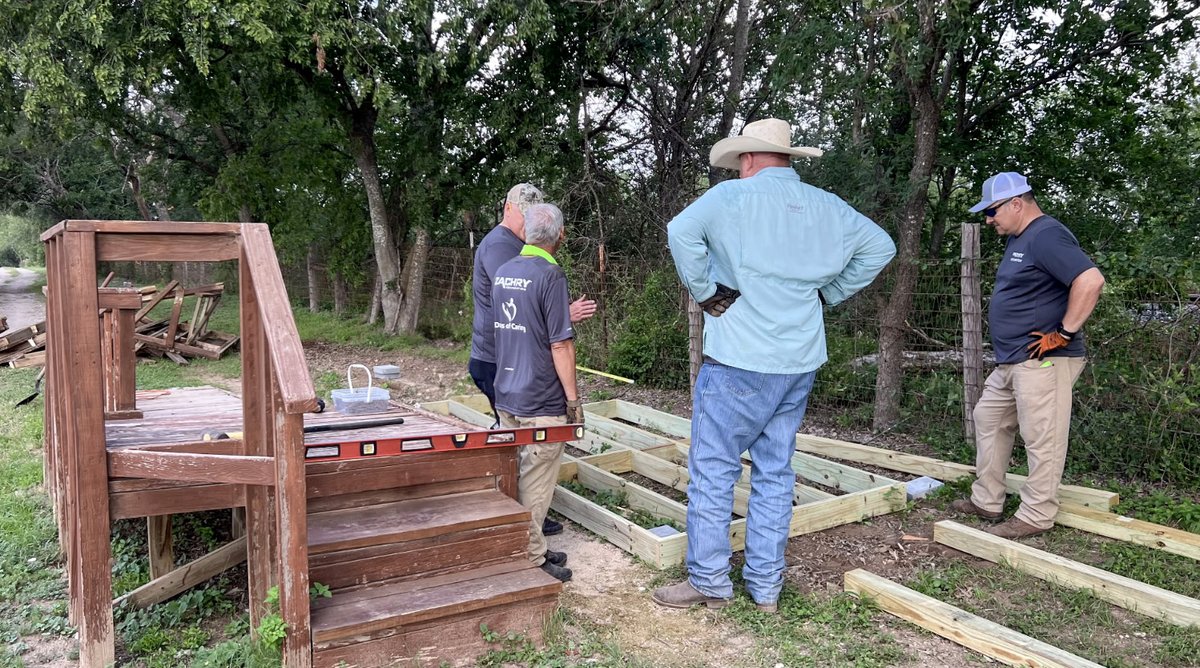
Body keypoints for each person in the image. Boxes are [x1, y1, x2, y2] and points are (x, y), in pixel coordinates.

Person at [652, 118, 896, 612]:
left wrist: (705, 293)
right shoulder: (828, 207)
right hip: (797, 361)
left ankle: (709, 581)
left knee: (715, 470)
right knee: (774, 472)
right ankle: (765, 586)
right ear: (787, 158)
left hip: (739, 358)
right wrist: (831, 291)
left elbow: (680, 231)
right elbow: (882, 247)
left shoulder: (733, 199)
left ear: (747, 159)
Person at [951, 172, 1105, 539]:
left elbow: (1090, 280)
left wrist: (1063, 333)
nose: (989, 220)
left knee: (1042, 436)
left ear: (1016, 203)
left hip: (1044, 361)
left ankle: (1036, 514)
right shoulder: (1022, 238)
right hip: (1014, 359)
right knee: (987, 418)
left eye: (992, 211)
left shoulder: (1047, 235)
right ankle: (987, 500)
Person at [469, 183, 596, 538]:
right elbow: (558, 343)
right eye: (521, 209)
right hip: (524, 380)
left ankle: (522, 532)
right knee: (533, 464)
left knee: (517, 456)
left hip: (507, 377)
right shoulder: (523, 261)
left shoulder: (511, 260)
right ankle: (528, 543)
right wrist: (573, 401)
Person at [491, 203, 583, 583]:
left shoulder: (504, 271)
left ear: (527, 233)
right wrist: (573, 401)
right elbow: (560, 345)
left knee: (515, 472)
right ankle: (530, 555)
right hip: (541, 398)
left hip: (507, 392)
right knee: (537, 479)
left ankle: (526, 544)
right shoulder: (550, 275)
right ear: (560, 235)